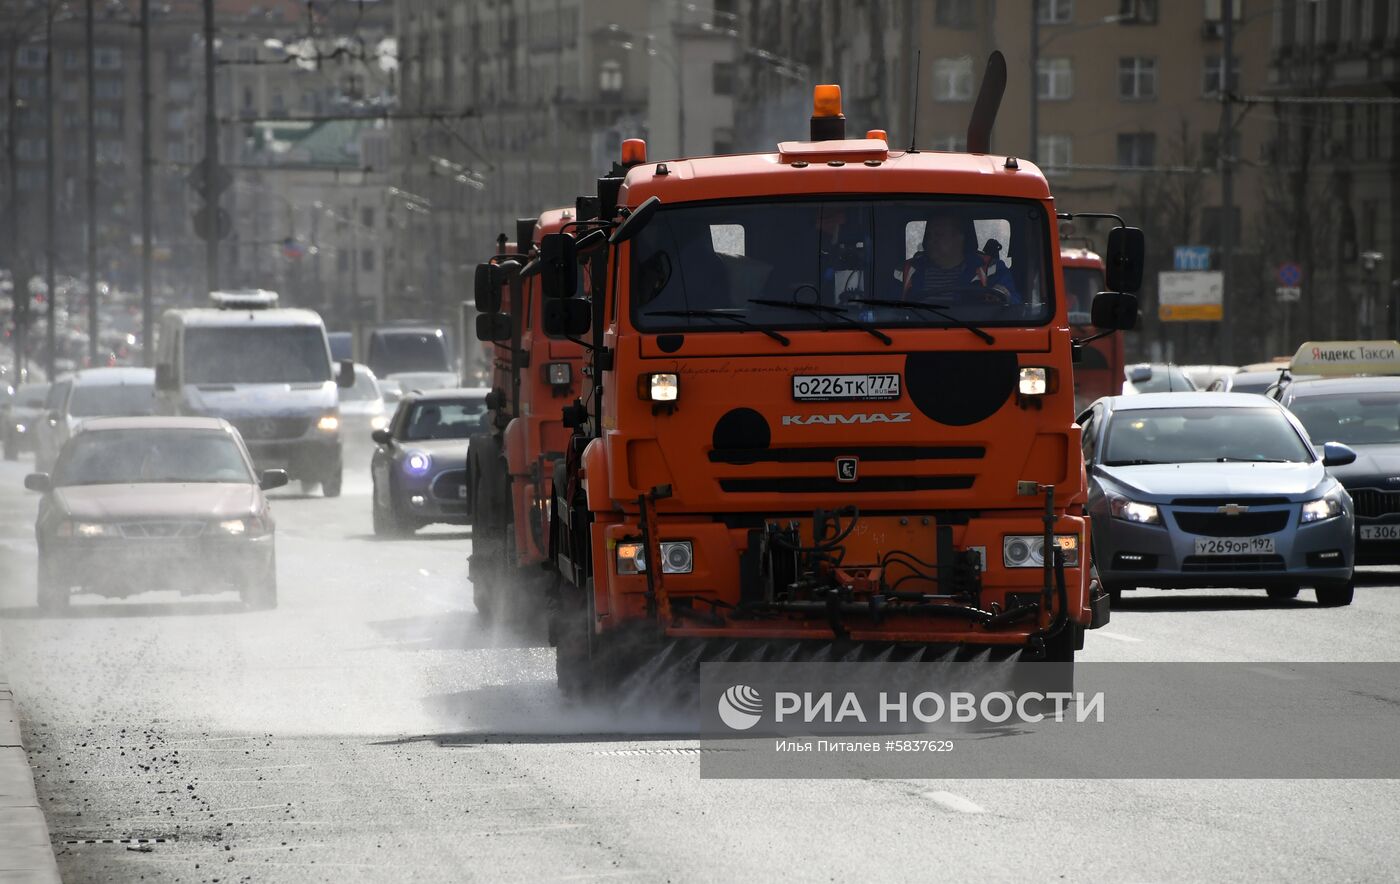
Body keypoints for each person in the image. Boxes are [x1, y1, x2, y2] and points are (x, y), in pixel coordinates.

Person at [901, 212, 1020, 305]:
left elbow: (1016, 306)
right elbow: (887, 309)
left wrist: (1004, 295)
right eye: (929, 235)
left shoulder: (991, 269)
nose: (931, 241)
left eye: (939, 235)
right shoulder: (906, 271)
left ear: (960, 238)